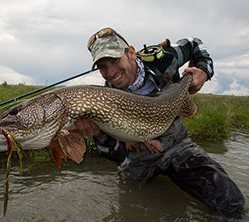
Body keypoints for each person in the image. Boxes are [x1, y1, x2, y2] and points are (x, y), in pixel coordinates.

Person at [74, 27, 245, 215]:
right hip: (136, 160)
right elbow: (116, 155)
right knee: (130, 212)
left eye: (114, 60)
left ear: (131, 52)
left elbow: (195, 43)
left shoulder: (163, 58)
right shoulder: (102, 99)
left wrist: (204, 70)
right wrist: (99, 135)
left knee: (230, 202)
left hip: (177, 146)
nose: (111, 72)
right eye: (102, 66)